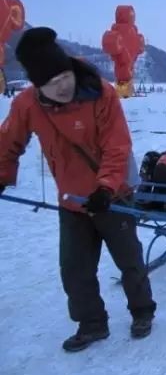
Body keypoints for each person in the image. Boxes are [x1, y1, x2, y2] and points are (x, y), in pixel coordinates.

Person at [0, 27, 156, 352]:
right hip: (72, 201)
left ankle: (142, 311)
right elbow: (7, 142)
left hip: (113, 195)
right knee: (74, 268)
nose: (62, 86)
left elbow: (117, 145)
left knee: (129, 259)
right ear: (37, 84)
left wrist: (105, 187)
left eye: (64, 77)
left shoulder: (101, 92)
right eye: (51, 83)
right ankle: (92, 324)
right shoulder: (27, 104)